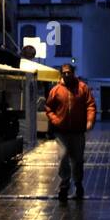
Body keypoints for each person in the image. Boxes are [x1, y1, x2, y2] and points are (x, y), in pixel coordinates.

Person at [44, 63, 96, 200]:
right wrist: (56, 120)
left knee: (78, 159)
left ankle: (78, 184)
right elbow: (49, 108)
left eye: (69, 72)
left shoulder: (82, 88)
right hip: (61, 132)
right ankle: (64, 185)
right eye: (64, 73)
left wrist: (90, 120)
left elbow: (90, 104)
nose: (66, 75)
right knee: (63, 157)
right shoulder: (56, 90)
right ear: (61, 74)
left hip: (78, 131)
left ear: (73, 73)